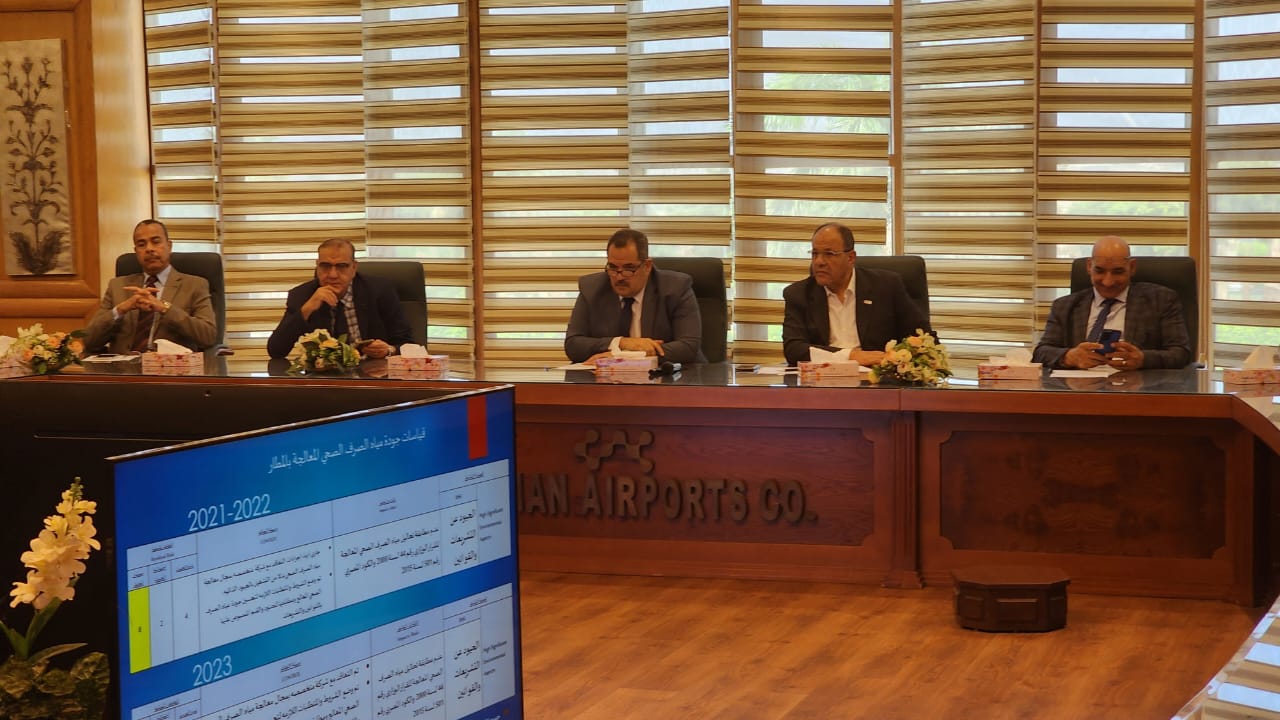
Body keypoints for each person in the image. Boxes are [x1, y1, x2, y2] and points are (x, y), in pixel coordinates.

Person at [1032, 235, 1191, 370]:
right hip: (1080, 390)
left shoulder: (1161, 300)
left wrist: (1143, 359)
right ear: (1089, 266)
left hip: (1136, 389)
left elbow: (1181, 353)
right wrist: (1069, 356)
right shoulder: (1064, 306)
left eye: (1118, 272)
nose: (1108, 282)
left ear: (1132, 267)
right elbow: (1041, 353)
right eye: (1099, 271)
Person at [782, 222, 931, 366]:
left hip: (876, 376)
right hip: (823, 377)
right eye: (815, 253)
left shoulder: (886, 287)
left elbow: (924, 339)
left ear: (851, 258)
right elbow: (793, 349)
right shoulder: (798, 294)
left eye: (829, 254)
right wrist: (851, 356)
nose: (819, 261)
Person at [564, 228, 705, 365]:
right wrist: (621, 343)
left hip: (670, 377)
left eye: (629, 268)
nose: (619, 277)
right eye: (613, 267)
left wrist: (622, 357)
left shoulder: (676, 288)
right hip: (608, 378)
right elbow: (573, 345)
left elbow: (688, 346)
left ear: (647, 266)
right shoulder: (592, 289)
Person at [83, 219, 218, 354]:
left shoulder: (195, 285)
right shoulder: (117, 286)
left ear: (169, 246)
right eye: (142, 244)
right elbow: (89, 341)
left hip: (169, 365)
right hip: (124, 365)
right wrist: (120, 310)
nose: (149, 249)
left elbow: (208, 336)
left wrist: (165, 308)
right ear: (136, 251)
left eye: (156, 242)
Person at [267, 238, 413, 359]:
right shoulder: (302, 295)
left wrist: (389, 350)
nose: (333, 275)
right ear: (317, 266)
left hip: (373, 375)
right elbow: (276, 351)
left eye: (341, 266)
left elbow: (408, 344)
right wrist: (307, 309)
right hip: (323, 378)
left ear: (353, 268)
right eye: (325, 266)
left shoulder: (380, 290)